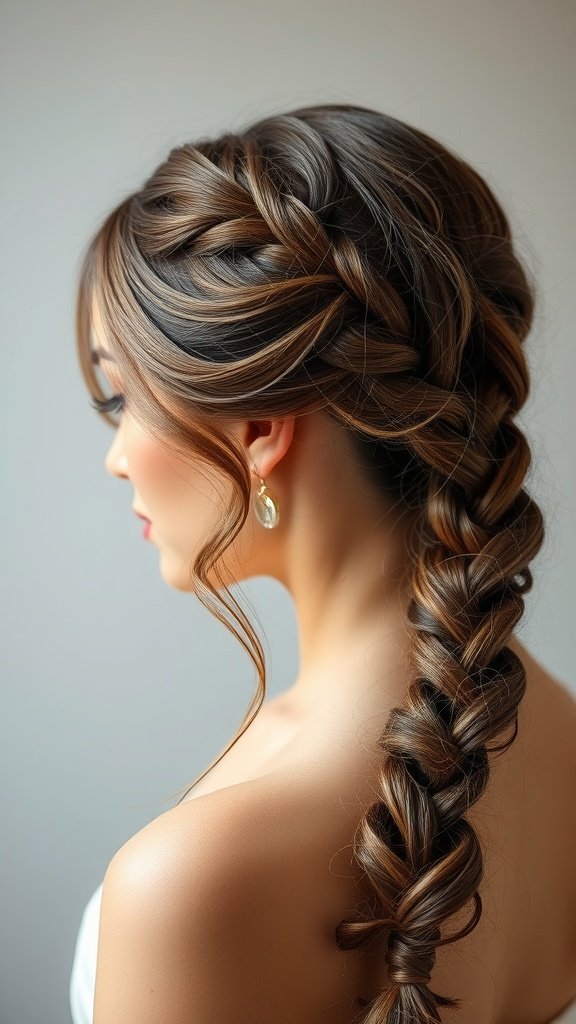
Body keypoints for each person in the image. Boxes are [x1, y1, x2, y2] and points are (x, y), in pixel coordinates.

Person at [69, 103, 576, 1024]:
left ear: (259, 430)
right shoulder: (563, 734)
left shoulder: (190, 884)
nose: (115, 456)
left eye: (120, 397)